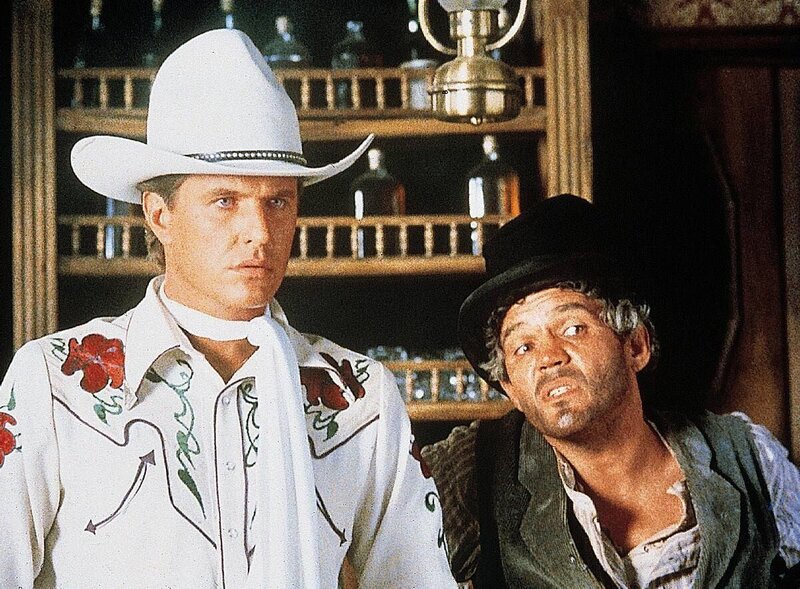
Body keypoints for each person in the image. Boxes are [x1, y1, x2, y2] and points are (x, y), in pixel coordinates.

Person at [0, 29, 456, 589]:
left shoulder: (362, 400)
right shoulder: (53, 385)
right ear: (159, 215)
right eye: (225, 201)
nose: (259, 232)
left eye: (278, 201)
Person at [422, 194, 800, 588]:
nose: (548, 357)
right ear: (510, 388)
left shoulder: (749, 458)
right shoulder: (474, 468)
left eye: (573, 328)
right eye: (523, 347)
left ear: (635, 345)